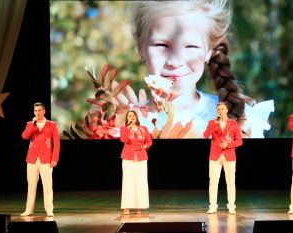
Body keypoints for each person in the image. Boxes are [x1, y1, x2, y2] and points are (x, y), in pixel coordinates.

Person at [99, 0, 274, 139]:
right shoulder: (117, 124)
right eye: (161, 45)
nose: (175, 61)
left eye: (190, 46)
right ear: (140, 47)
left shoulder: (241, 121)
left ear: (209, 51)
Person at [20, 102, 60, 217]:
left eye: (39, 110)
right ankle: (29, 209)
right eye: (35, 111)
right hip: (32, 158)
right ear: (34, 112)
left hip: (46, 158)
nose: (37, 113)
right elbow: (24, 136)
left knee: (47, 185)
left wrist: (55, 158)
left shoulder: (52, 125)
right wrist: (33, 124)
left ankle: (49, 209)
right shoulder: (30, 124)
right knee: (31, 186)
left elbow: (56, 143)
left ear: (44, 111)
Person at [203, 102, 243, 214]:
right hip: (215, 155)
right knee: (213, 182)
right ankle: (213, 206)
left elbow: (239, 141)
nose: (220, 111)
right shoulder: (212, 122)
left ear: (226, 110)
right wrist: (214, 123)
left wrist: (228, 145)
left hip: (229, 155)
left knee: (230, 182)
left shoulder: (233, 124)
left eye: (222, 109)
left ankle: (231, 206)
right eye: (218, 109)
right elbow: (205, 135)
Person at [120, 110, 152, 215]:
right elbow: (123, 139)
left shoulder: (143, 129)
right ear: (127, 118)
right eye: (129, 116)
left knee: (140, 182)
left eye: (133, 115)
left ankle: (139, 206)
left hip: (141, 157)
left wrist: (145, 146)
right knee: (128, 182)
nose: (131, 117)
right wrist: (128, 128)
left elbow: (149, 141)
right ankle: (127, 207)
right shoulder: (125, 129)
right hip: (128, 158)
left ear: (136, 117)